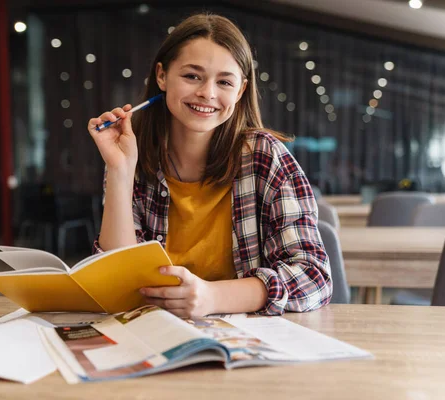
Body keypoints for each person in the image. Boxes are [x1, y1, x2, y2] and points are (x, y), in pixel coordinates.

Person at [87, 13, 332, 318]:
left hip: (246, 342)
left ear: (240, 91)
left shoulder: (266, 157)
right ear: (162, 76)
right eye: (192, 76)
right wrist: (120, 171)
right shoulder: (132, 154)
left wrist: (212, 297)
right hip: (156, 332)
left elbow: (314, 278)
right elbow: (117, 281)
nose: (208, 93)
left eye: (224, 82)